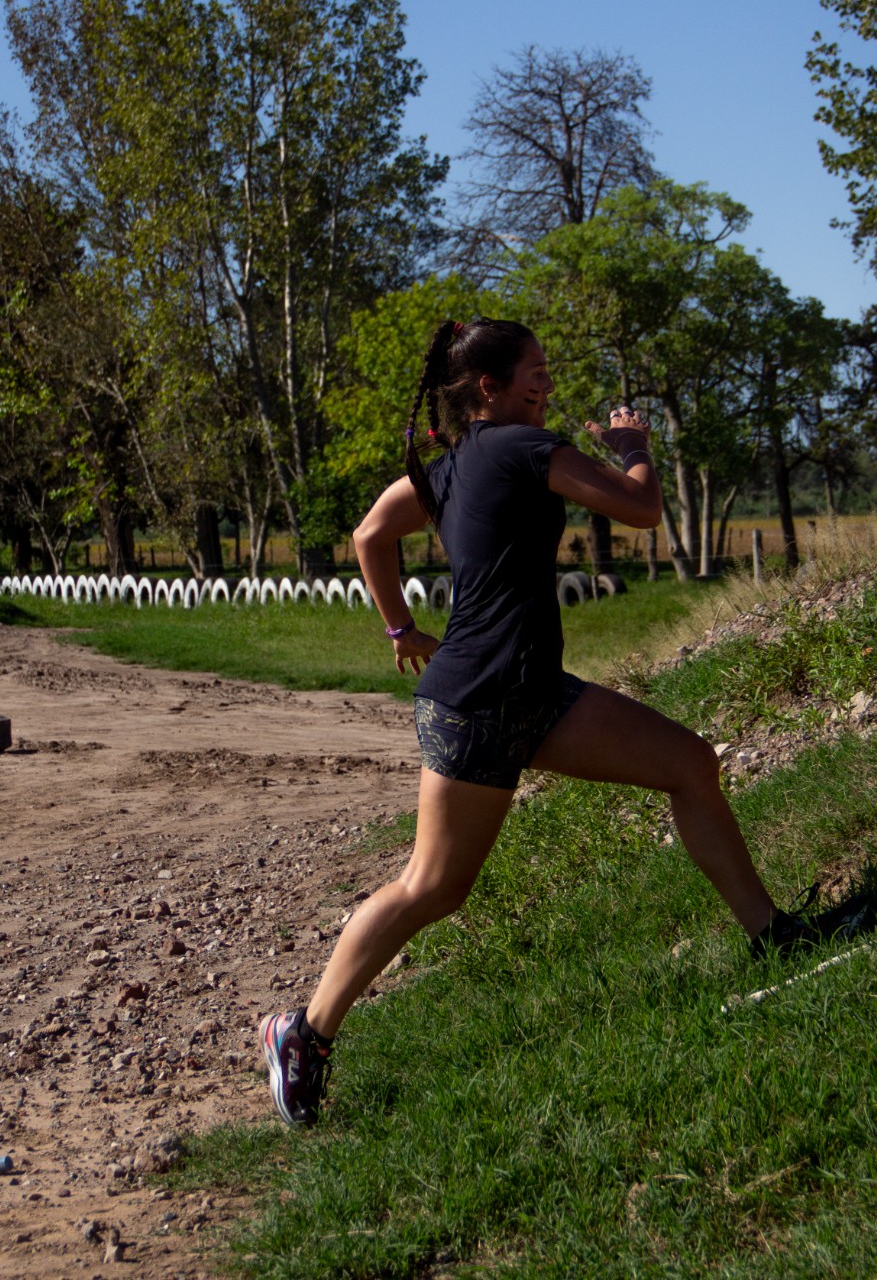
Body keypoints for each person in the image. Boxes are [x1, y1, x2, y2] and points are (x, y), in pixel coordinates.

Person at [258, 317, 813, 1127]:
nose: (545, 383)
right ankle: (301, 1034)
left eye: (545, 372)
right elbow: (642, 509)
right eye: (534, 372)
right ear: (489, 387)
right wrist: (631, 444)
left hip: (535, 693)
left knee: (690, 764)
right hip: (481, 699)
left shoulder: (445, 470)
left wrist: (398, 627)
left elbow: (370, 532)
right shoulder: (520, 447)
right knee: (433, 886)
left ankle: (774, 936)